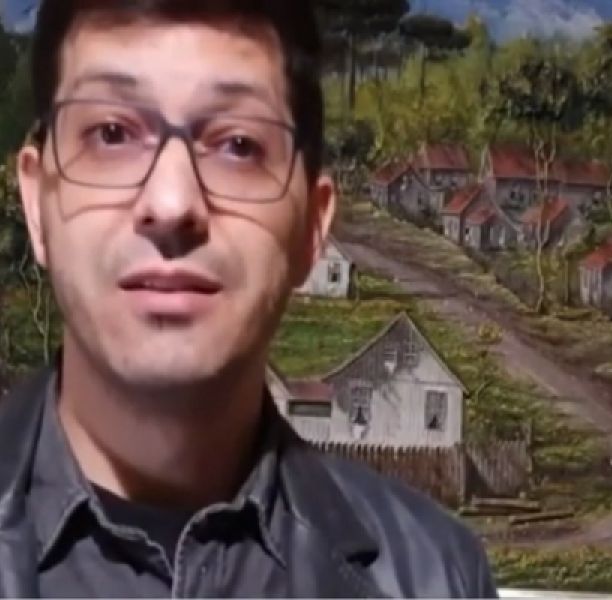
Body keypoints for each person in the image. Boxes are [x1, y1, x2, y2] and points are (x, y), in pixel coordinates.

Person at [1, 0, 498, 596]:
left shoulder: (436, 577)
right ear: (37, 204)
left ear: (311, 229)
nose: (172, 203)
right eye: (112, 134)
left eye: (238, 145)